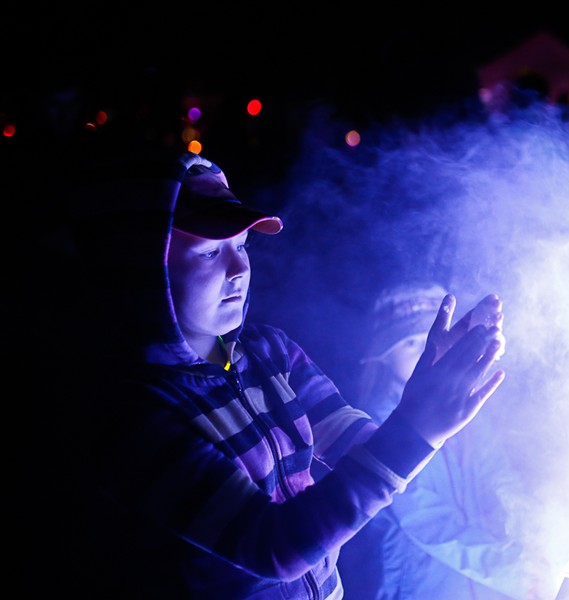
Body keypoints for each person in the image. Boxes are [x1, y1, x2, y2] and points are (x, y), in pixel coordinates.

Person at [69, 150, 507, 600]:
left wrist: (432, 392)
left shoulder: (269, 352)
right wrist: (416, 426)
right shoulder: (132, 412)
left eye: (241, 246)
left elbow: (364, 447)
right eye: (208, 252)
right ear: (142, 267)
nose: (239, 269)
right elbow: (273, 547)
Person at [338, 282, 526, 600]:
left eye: (429, 339)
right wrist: (513, 571)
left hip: (477, 583)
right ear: (384, 357)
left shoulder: (465, 410)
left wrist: (531, 532)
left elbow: (499, 477)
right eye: (411, 343)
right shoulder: (380, 422)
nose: (425, 351)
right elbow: (425, 520)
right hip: (415, 587)